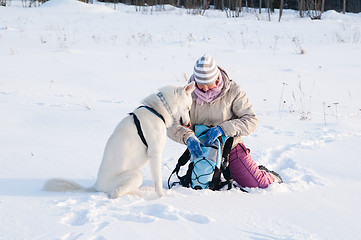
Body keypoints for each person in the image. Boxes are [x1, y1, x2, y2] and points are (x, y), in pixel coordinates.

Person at [168, 54, 282, 189]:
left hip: (230, 149)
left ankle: (268, 175)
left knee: (257, 183)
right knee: (200, 185)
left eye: (208, 85)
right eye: (200, 85)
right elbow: (171, 125)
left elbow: (251, 121)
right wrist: (187, 137)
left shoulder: (234, 91)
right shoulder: (186, 95)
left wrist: (223, 129)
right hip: (202, 150)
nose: (204, 89)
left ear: (216, 79)